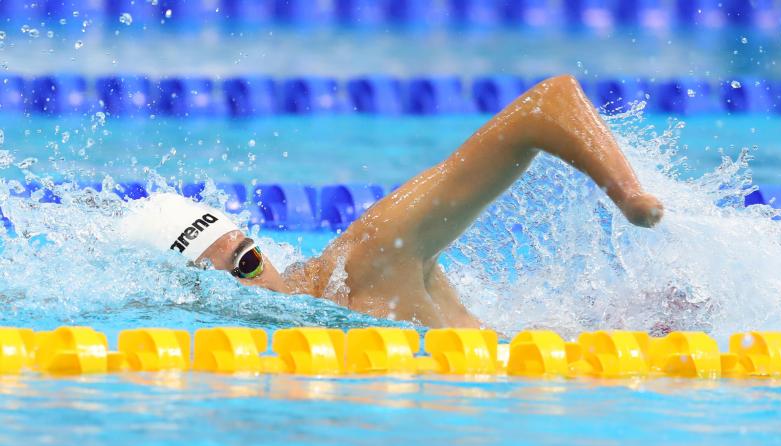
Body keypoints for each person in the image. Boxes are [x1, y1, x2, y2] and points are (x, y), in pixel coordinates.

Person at [121, 75, 663, 328]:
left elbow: (548, 102)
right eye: (232, 278)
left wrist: (630, 196)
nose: (255, 286)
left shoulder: (369, 261)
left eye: (248, 259)